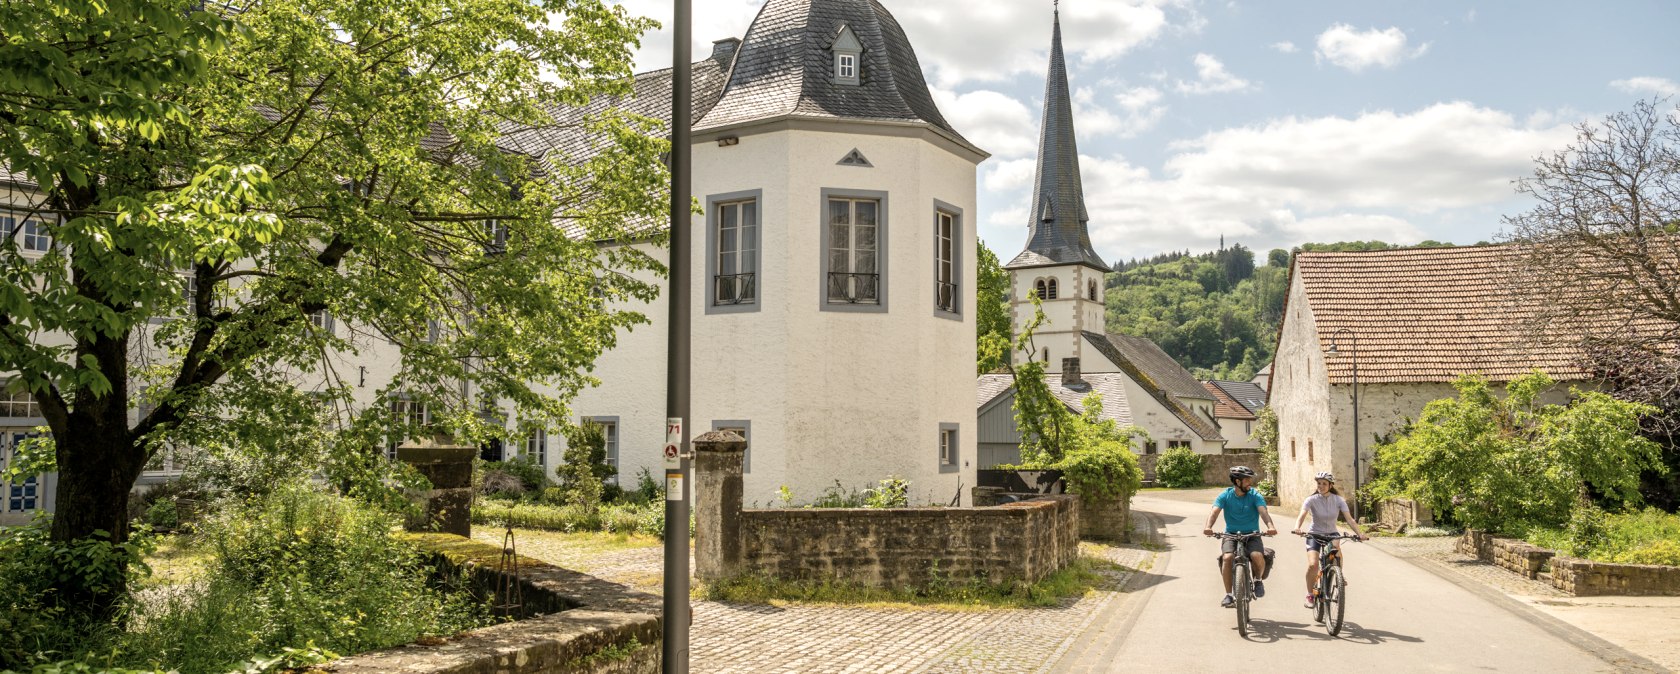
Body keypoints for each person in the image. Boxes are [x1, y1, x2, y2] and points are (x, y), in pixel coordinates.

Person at [1291, 472, 1369, 609]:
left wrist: (1359, 534)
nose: (1321, 486)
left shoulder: (1338, 500)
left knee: (1336, 550)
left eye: (1324, 484)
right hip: (1314, 534)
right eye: (1319, 483)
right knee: (1313, 565)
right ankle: (1310, 594)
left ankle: (1338, 574)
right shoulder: (1311, 499)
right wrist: (1297, 527)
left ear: (1330, 485)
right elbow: (1302, 514)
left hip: (1332, 534)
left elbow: (1349, 519)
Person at [1203, 465, 1277, 608]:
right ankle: (1229, 595)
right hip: (1231, 534)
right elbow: (1214, 512)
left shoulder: (1255, 495)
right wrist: (1208, 527)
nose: (1250, 482)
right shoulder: (1225, 495)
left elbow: (1263, 512)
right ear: (1237, 482)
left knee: (1256, 555)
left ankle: (1258, 580)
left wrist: (1270, 527)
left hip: (1252, 534)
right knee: (1227, 558)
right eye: (1247, 480)